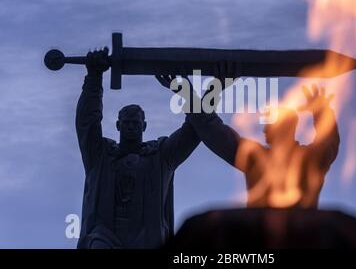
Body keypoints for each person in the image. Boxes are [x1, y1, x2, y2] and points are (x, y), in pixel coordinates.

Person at [75, 48, 200, 248]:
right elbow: (87, 123)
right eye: (127, 122)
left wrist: (184, 91)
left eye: (135, 122)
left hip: (146, 239)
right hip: (104, 237)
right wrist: (94, 78)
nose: (131, 126)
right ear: (118, 125)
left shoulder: (161, 157)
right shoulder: (100, 156)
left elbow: (194, 129)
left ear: (144, 126)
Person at [166, 66, 340, 208]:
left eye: (269, 126)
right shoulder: (256, 156)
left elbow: (207, 125)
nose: (264, 131)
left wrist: (193, 93)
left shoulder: (260, 158)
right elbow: (208, 126)